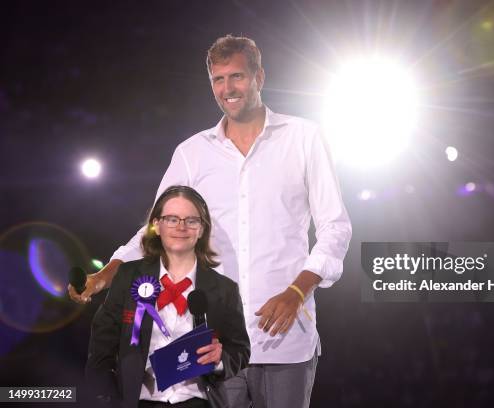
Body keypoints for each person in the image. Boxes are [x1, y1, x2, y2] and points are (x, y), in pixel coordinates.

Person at [73, 34, 352, 408]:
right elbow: (158, 228)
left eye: (236, 76)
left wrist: (297, 291)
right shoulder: (192, 153)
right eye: (218, 80)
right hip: (212, 344)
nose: (227, 88)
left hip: (286, 341)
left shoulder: (303, 138)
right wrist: (108, 272)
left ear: (259, 77)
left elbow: (335, 226)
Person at [86, 185, 250, 408]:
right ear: (156, 225)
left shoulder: (224, 288)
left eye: (191, 220)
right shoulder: (128, 275)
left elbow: (240, 349)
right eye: (172, 219)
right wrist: (103, 396)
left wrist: (220, 360)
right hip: (140, 401)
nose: (181, 227)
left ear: (202, 229)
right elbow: (103, 342)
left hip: (198, 401)